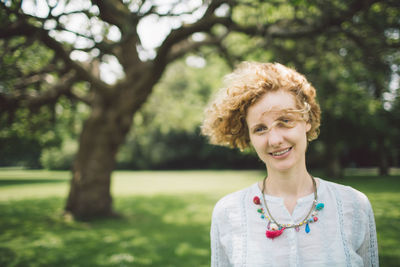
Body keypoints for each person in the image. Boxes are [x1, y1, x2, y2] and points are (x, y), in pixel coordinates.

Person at [201, 62, 378, 267]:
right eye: (260, 129)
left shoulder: (355, 206)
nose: (274, 139)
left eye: (285, 121)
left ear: (307, 120)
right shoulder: (228, 212)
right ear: (249, 137)